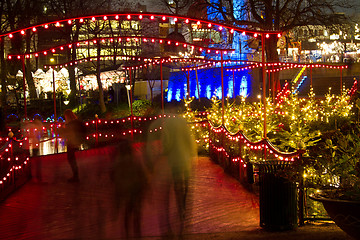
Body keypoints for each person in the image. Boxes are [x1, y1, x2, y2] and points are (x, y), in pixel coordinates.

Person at [147, 108, 197, 238]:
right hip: (186, 162)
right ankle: (183, 212)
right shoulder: (182, 121)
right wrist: (192, 155)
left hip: (175, 162)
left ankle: (180, 214)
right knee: (185, 188)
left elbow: (167, 143)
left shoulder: (166, 123)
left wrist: (160, 154)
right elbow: (190, 140)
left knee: (177, 188)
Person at [111, 139, 149, 239]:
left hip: (126, 191)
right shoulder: (135, 160)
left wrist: (117, 202)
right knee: (136, 214)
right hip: (136, 190)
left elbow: (115, 179)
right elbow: (142, 175)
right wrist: (147, 189)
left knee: (127, 214)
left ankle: (127, 234)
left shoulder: (118, 163)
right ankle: (137, 233)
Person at [59, 109, 86, 182]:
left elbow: (66, 132)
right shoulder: (77, 122)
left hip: (72, 142)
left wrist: (60, 130)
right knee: (72, 159)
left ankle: (75, 176)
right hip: (76, 141)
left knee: (71, 159)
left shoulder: (70, 124)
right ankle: (75, 175)